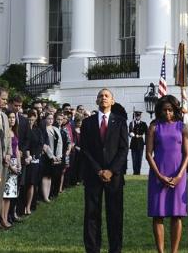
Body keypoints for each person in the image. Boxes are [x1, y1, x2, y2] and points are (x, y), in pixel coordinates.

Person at [80, 88, 128, 253]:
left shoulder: (120, 122)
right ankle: (92, 249)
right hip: (93, 176)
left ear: (112, 101)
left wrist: (111, 170)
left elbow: (123, 149)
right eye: (100, 96)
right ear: (96, 101)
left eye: (107, 96)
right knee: (92, 215)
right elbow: (85, 149)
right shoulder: (88, 123)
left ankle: (115, 249)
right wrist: (98, 170)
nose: (103, 98)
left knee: (115, 215)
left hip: (114, 178)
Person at [146, 95, 188, 253]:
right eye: (164, 110)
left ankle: (174, 251)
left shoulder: (182, 127)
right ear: (159, 110)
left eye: (170, 110)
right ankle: (160, 251)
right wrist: (159, 176)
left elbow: (187, 154)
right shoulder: (153, 127)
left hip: (178, 175)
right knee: (158, 215)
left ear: (175, 110)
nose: (167, 113)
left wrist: (179, 176)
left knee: (176, 215)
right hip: (158, 176)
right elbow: (148, 154)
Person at [0, 111, 21, 229]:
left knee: (10, 194)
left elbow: (17, 149)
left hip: (14, 164)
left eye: (13, 117)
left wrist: (18, 164)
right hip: (6, 164)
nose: (12, 120)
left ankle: (6, 216)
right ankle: (2, 218)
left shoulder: (14, 132)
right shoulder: (5, 132)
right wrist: (11, 167)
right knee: (4, 194)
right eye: (10, 117)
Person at [0, 87, 12, 223]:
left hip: (4, 161)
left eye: (6, 99)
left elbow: (8, 137)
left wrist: (8, 153)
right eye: (3, 98)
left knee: (1, 191)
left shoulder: (4, 116)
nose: (5, 101)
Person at [129, 111, 148, 175]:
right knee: (134, 159)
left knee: (139, 159)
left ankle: (138, 172)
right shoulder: (132, 123)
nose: (137, 117)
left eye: (139, 116)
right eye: (136, 116)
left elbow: (147, 133)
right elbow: (129, 131)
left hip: (140, 143)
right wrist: (130, 134)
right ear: (135, 116)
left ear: (140, 116)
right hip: (133, 143)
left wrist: (146, 142)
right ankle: (135, 172)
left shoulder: (143, 124)